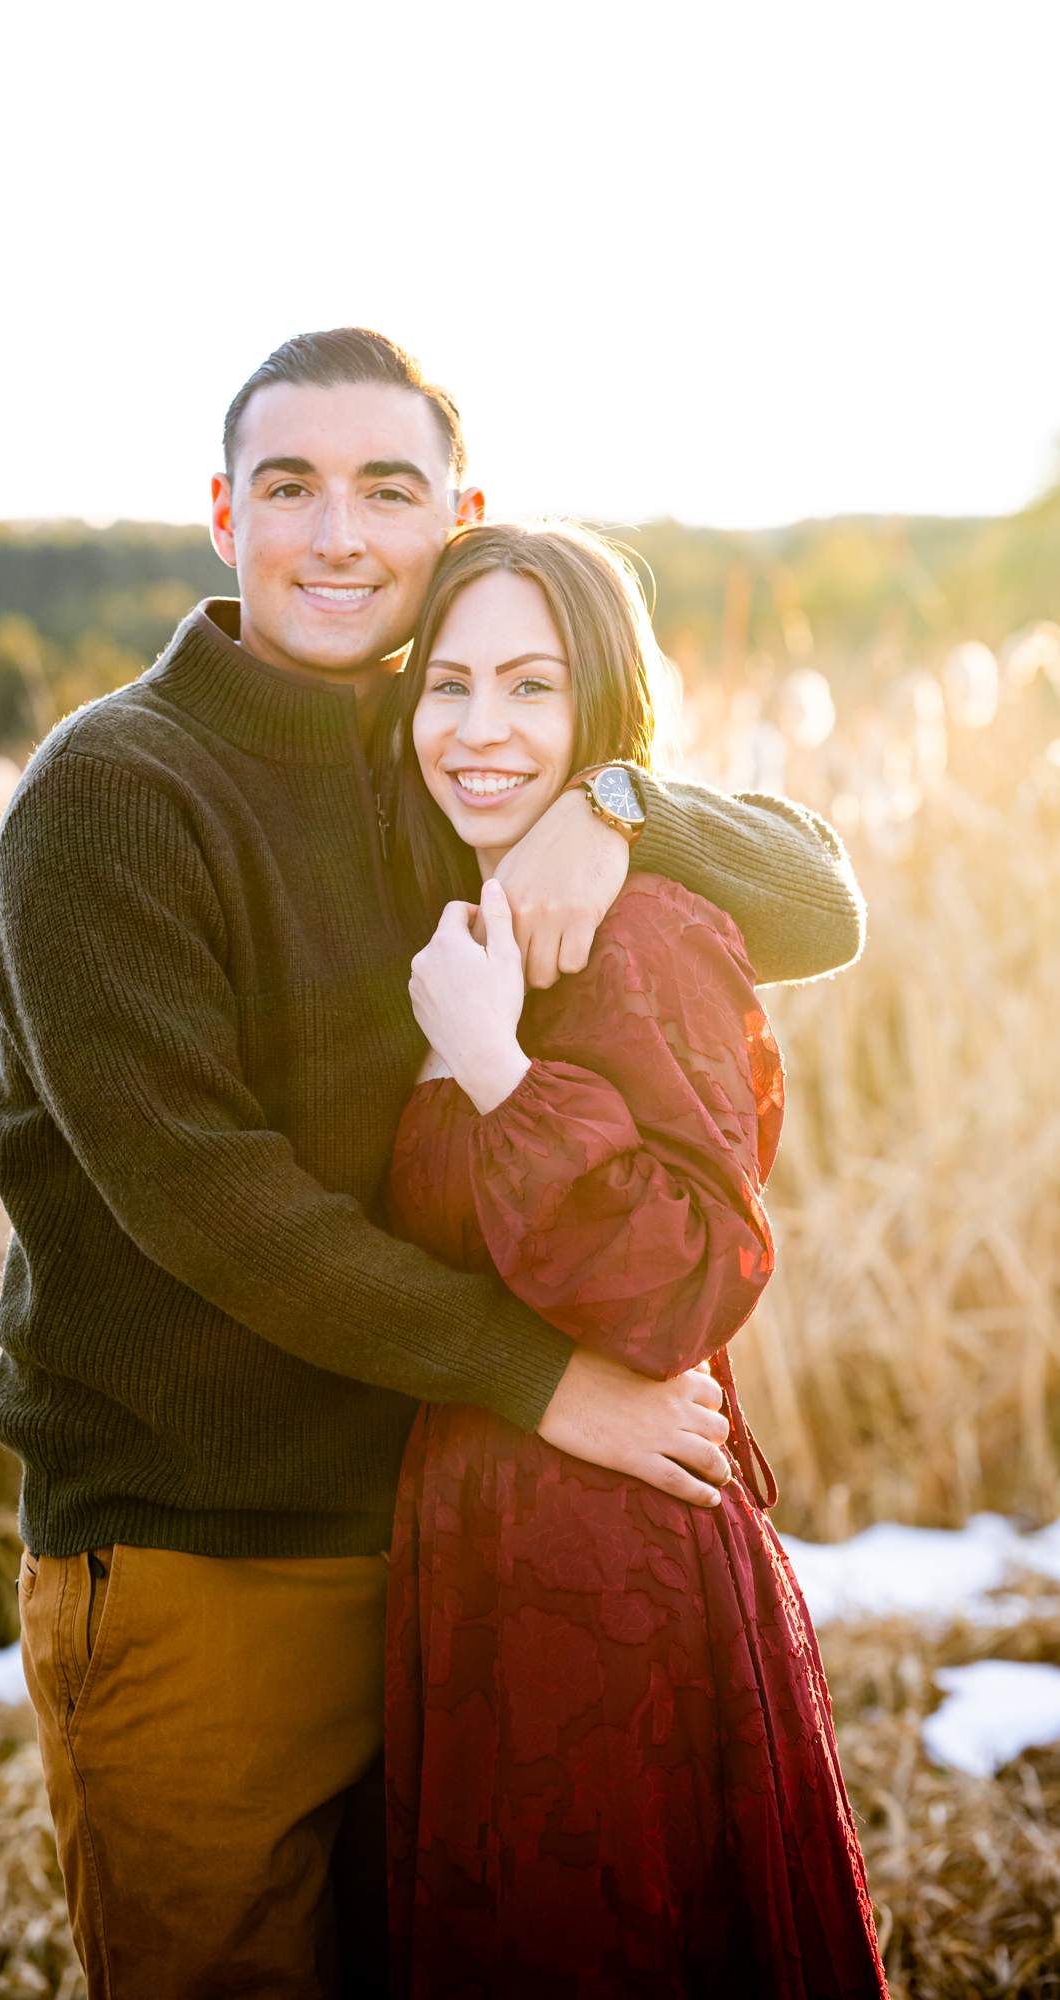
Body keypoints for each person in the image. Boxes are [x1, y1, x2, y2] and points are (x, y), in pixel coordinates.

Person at [0, 328, 866, 1999]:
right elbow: (208, 1202)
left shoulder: (440, 756)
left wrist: (613, 798)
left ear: (454, 513)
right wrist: (537, 1380)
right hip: (201, 1557)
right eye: (291, 486)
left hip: (442, 1555)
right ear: (221, 513)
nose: (338, 534)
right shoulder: (111, 795)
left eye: (386, 491)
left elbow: (816, 894)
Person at [376, 519, 885, 1998]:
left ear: (598, 707)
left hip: (616, 1572)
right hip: (478, 1561)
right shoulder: (460, 921)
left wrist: (491, 1074)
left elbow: (688, 1277)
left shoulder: (648, 926)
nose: (479, 730)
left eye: (530, 689)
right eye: (448, 685)